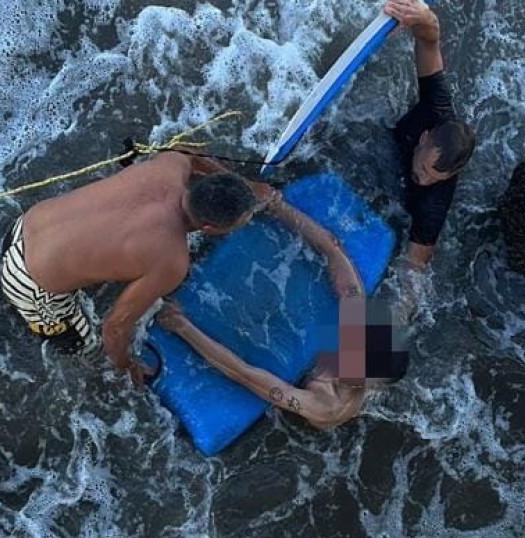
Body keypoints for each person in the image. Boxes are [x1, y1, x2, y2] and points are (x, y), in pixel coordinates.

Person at [0, 149, 270, 384]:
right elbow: (115, 328)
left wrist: (246, 185)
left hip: (25, 225)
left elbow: (187, 152)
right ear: (210, 229)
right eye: (239, 223)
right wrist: (125, 365)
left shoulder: (171, 165)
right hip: (26, 281)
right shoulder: (171, 262)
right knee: (83, 346)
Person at [156, 189, 409, 429]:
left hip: (295, 394)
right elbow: (333, 250)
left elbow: (246, 374)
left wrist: (182, 326)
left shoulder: (328, 405)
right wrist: (279, 208)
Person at [383, 0, 476, 269]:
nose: (422, 179)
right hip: (395, 142)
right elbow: (429, 42)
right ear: (424, 138)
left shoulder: (433, 201)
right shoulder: (436, 105)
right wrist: (422, 17)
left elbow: (416, 267)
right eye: (424, 168)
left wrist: (395, 310)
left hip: (400, 198)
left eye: (433, 177)